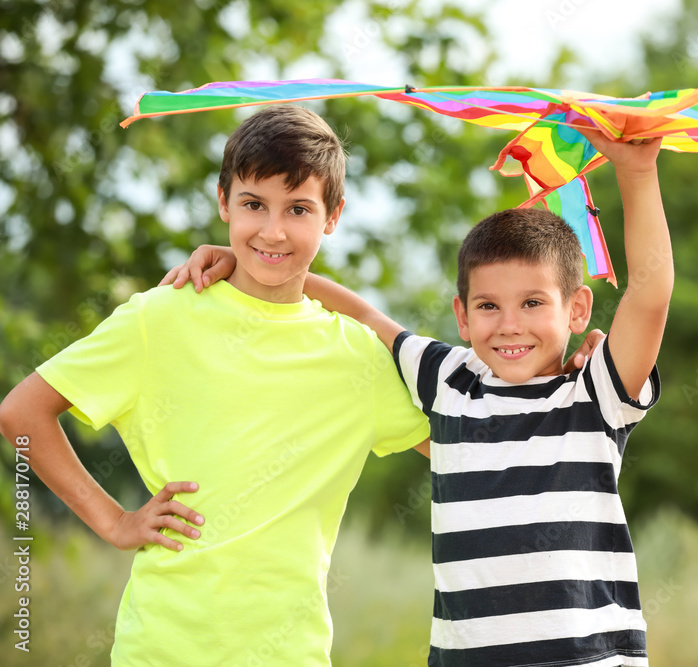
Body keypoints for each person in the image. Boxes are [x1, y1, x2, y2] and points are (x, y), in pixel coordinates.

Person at [167, 127, 672, 666]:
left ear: (576, 309)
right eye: (487, 306)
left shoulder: (593, 394)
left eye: (532, 303)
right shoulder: (449, 379)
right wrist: (248, 262)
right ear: (461, 316)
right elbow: (365, 314)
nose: (509, 325)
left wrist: (637, 174)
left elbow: (649, 293)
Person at [0, 105, 432, 666]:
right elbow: (22, 412)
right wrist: (115, 521)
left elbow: (465, 439)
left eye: (298, 209)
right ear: (223, 200)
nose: (273, 230)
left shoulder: (359, 360)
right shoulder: (161, 317)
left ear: (333, 216)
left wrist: (573, 377)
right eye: (254, 205)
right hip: (159, 652)